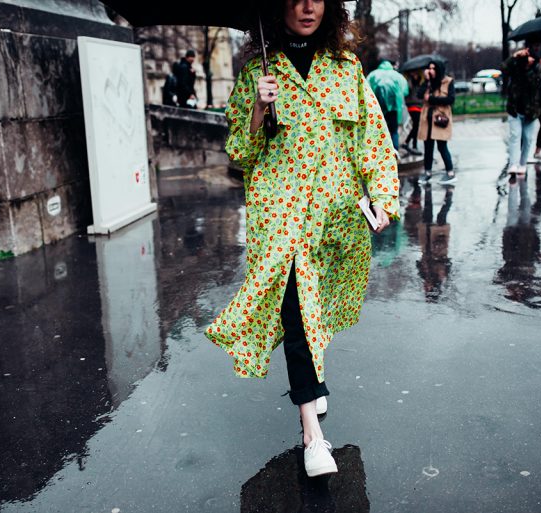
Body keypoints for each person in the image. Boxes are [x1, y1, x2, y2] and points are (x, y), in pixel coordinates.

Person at [204, 0, 399, 479]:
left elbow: (373, 141)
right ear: (277, 6)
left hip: (334, 214)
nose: (308, 6)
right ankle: (312, 433)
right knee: (295, 312)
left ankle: (314, 375)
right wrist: (258, 109)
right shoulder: (258, 73)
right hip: (281, 215)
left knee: (318, 306)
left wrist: (382, 197)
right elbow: (240, 154)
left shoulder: (346, 68)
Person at [501, 35, 541, 176]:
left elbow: (536, 82)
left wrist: (529, 67)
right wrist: (514, 57)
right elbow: (503, 68)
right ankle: (513, 164)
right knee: (515, 136)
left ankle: (522, 163)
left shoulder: (537, 67)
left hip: (531, 110)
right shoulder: (516, 64)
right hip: (515, 108)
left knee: (528, 138)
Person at [417, 59, 456, 185]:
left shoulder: (448, 81)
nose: (431, 71)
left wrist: (432, 99)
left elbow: (450, 99)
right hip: (427, 119)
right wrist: (427, 81)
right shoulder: (428, 82)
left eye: (434, 68)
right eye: (429, 68)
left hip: (440, 118)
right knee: (428, 147)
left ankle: (450, 172)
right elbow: (419, 94)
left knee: (442, 147)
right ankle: (427, 172)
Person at [367, 59, 409, 150]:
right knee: (394, 130)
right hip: (394, 108)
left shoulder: (373, 75)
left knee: (378, 130)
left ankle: (379, 150)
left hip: (377, 107)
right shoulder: (397, 75)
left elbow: (366, 90)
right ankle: (395, 151)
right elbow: (405, 91)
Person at [401, 70, 424, 156]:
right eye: (413, 73)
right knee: (416, 125)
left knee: (416, 126)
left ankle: (413, 145)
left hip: (419, 106)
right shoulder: (408, 82)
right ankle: (408, 143)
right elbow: (407, 91)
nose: (415, 75)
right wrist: (410, 78)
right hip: (412, 106)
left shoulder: (421, 82)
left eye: (416, 73)